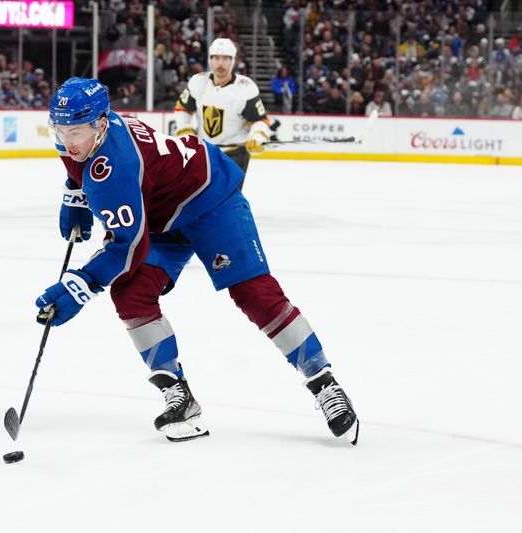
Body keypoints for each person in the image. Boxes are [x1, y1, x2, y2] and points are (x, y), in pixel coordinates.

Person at [36, 77, 359, 444]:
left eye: (75, 131)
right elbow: (77, 164)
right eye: (59, 130)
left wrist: (80, 284)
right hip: (163, 214)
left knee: (253, 292)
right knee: (131, 294)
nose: (66, 141)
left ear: (101, 123)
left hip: (210, 197)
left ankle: (324, 383)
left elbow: (128, 247)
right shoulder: (84, 138)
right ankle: (178, 396)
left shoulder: (116, 166)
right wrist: (74, 193)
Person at [173, 38, 280, 190]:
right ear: (210, 60)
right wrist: (184, 127)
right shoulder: (198, 82)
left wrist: (257, 135)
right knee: (198, 197)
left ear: (233, 61)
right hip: (203, 151)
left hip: (235, 154)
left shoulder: (245, 88)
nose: (220, 63)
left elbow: (259, 120)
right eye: (216, 58)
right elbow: (183, 108)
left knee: (228, 202)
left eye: (225, 58)